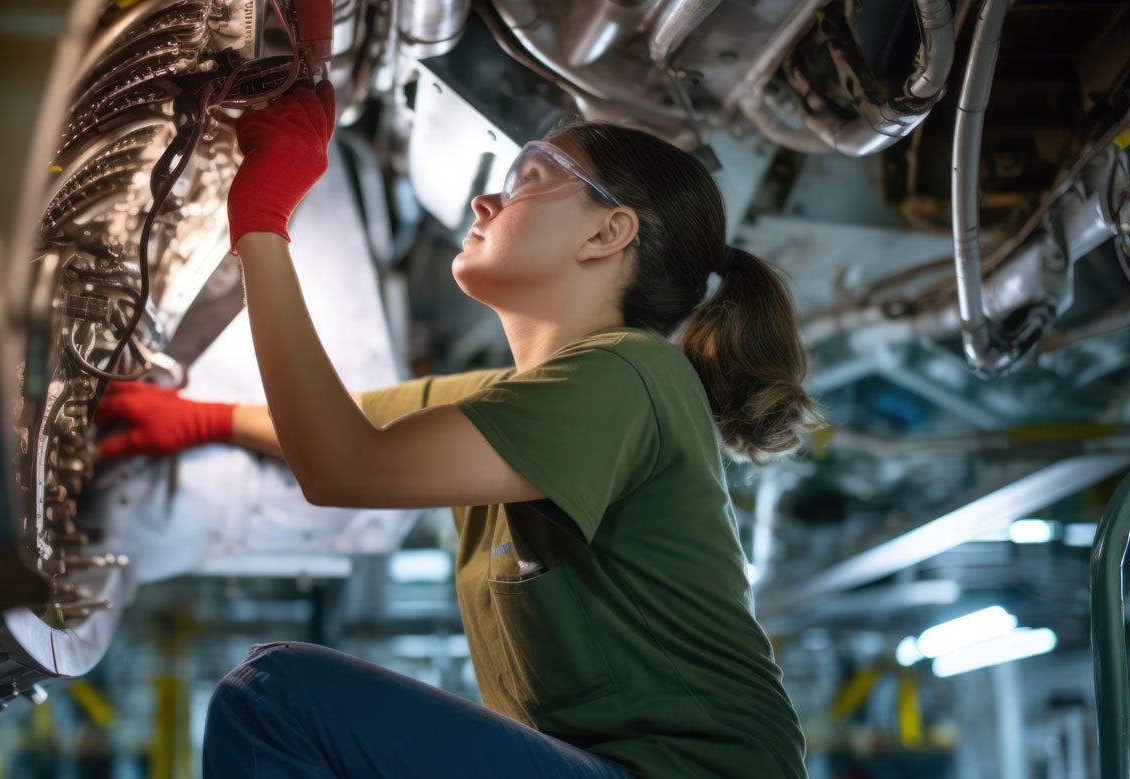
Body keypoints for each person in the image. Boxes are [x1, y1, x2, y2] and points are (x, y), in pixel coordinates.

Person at [93, 81, 824, 778]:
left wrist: (261, 219)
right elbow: (350, 424)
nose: (487, 196)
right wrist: (199, 419)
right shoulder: (526, 398)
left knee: (273, 698)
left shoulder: (630, 375)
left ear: (609, 232)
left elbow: (342, 463)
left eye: (531, 177)